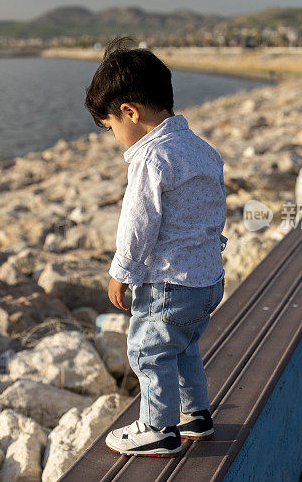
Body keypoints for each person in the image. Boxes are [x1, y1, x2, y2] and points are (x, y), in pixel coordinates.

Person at [84, 36, 228, 457]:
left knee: (148, 350)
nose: (114, 137)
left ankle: (158, 428)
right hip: (207, 279)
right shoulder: (202, 149)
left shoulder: (152, 158)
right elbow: (213, 208)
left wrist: (122, 270)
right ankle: (194, 415)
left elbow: (138, 223)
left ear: (130, 111)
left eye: (111, 127)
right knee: (182, 346)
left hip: (169, 282)